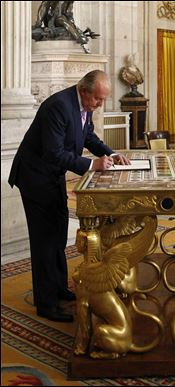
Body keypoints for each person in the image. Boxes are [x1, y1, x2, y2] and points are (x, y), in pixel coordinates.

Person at [8, 70, 130, 323]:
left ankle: (59, 287)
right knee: (44, 241)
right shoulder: (58, 106)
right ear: (84, 92)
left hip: (52, 176)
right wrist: (91, 165)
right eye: (98, 99)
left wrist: (112, 153)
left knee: (59, 233)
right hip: (35, 177)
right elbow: (53, 153)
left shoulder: (82, 105)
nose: (100, 104)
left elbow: (88, 137)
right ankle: (46, 303)